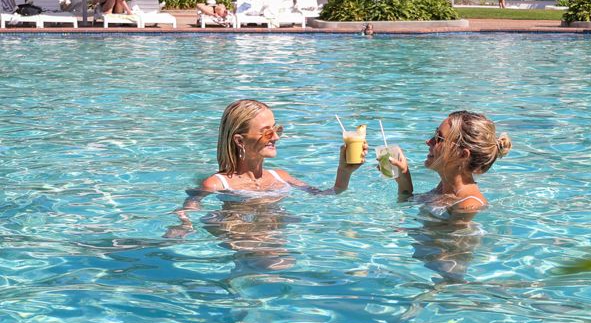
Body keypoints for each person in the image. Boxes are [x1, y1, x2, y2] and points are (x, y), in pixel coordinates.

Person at [165, 100, 367, 237]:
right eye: (267, 133)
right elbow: (188, 209)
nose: (276, 137)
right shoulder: (218, 182)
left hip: (277, 236)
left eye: (276, 129)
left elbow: (327, 195)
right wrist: (183, 226)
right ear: (240, 140)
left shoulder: (281, 176)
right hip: (243, 239)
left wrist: (344, 171)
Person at [385, 110, 512, 217]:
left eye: (439, 138)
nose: (429, 141)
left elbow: (449, 244)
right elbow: (406, 205)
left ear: (462, 155)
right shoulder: (443, 189)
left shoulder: (467, 205)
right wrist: (404, 179)